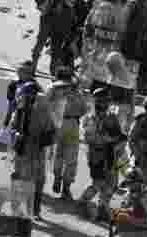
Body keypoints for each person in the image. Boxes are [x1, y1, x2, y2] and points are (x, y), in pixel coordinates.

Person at [8, 80, 55, 220]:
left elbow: (50, 130)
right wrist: (17, 135)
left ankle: (35, 210)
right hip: (22, 150)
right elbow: (13, 127)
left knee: (38, 182)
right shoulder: (20, 109)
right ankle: (18, 210)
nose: (27, 97)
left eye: (30, 95)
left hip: (37, 151)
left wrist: (42, 140)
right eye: (25, 94)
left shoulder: (43, 110)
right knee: (20, 180)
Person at [80, 87, 127, 221]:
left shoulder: (111, 116)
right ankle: (83, 201)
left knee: (111, 183)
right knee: (98, 183)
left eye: (106, 100)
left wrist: (120, 139)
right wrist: (108, 138)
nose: (105, 103)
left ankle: (102, 207)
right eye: (102, 100)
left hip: (109, 153)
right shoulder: (91, 118)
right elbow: (91, 138)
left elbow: (118, 133)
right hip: (97, 154)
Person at [47, 66, 88, 201]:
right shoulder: (76, 91)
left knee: (57, 154)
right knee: (71, 158)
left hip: (56, 122)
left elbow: (45, 105)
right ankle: (66, 187)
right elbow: (83, 109)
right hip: (72, 124)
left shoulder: (52, 88)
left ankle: (58, 178)